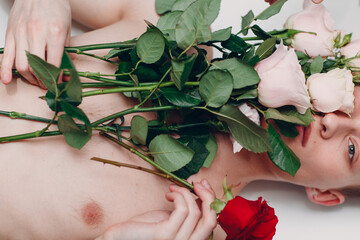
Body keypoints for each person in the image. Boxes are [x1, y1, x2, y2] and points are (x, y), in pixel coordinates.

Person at [0, 0, 347, 240]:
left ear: (326, 194)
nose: (331, 122)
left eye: (352, 149)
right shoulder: (181, 35)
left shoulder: (191, 227)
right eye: (346, 96)